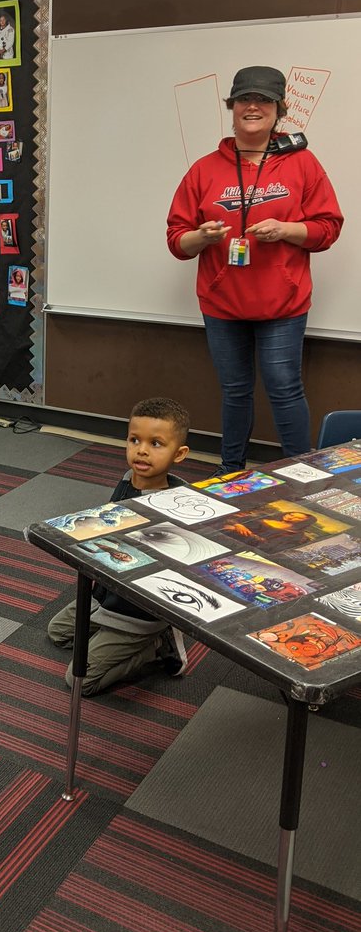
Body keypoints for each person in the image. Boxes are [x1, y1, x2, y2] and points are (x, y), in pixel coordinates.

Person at [167, 66, 343, 473]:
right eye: (244, 99)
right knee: (234, 391)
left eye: (263, 100)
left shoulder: (302, 164)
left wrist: (287, 230)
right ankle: (231, 471)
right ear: (231, 108)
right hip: (222, 302)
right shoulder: (204, 169)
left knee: (284, 388)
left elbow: (327, 228)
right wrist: (202, 237)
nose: (253, 106)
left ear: (278, 109)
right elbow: (177, 239)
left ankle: (302, 474)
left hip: (283, 302)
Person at [47, 397, 193, 696]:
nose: (141, 450)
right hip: (107, 593)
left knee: (79, 681)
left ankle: (156, 646)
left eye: (156, 444)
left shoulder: (174, 506)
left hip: (137, 610)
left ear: (179, 454)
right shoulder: (128, 481)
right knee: (58, 633)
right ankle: (110, 635)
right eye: (135, 440)